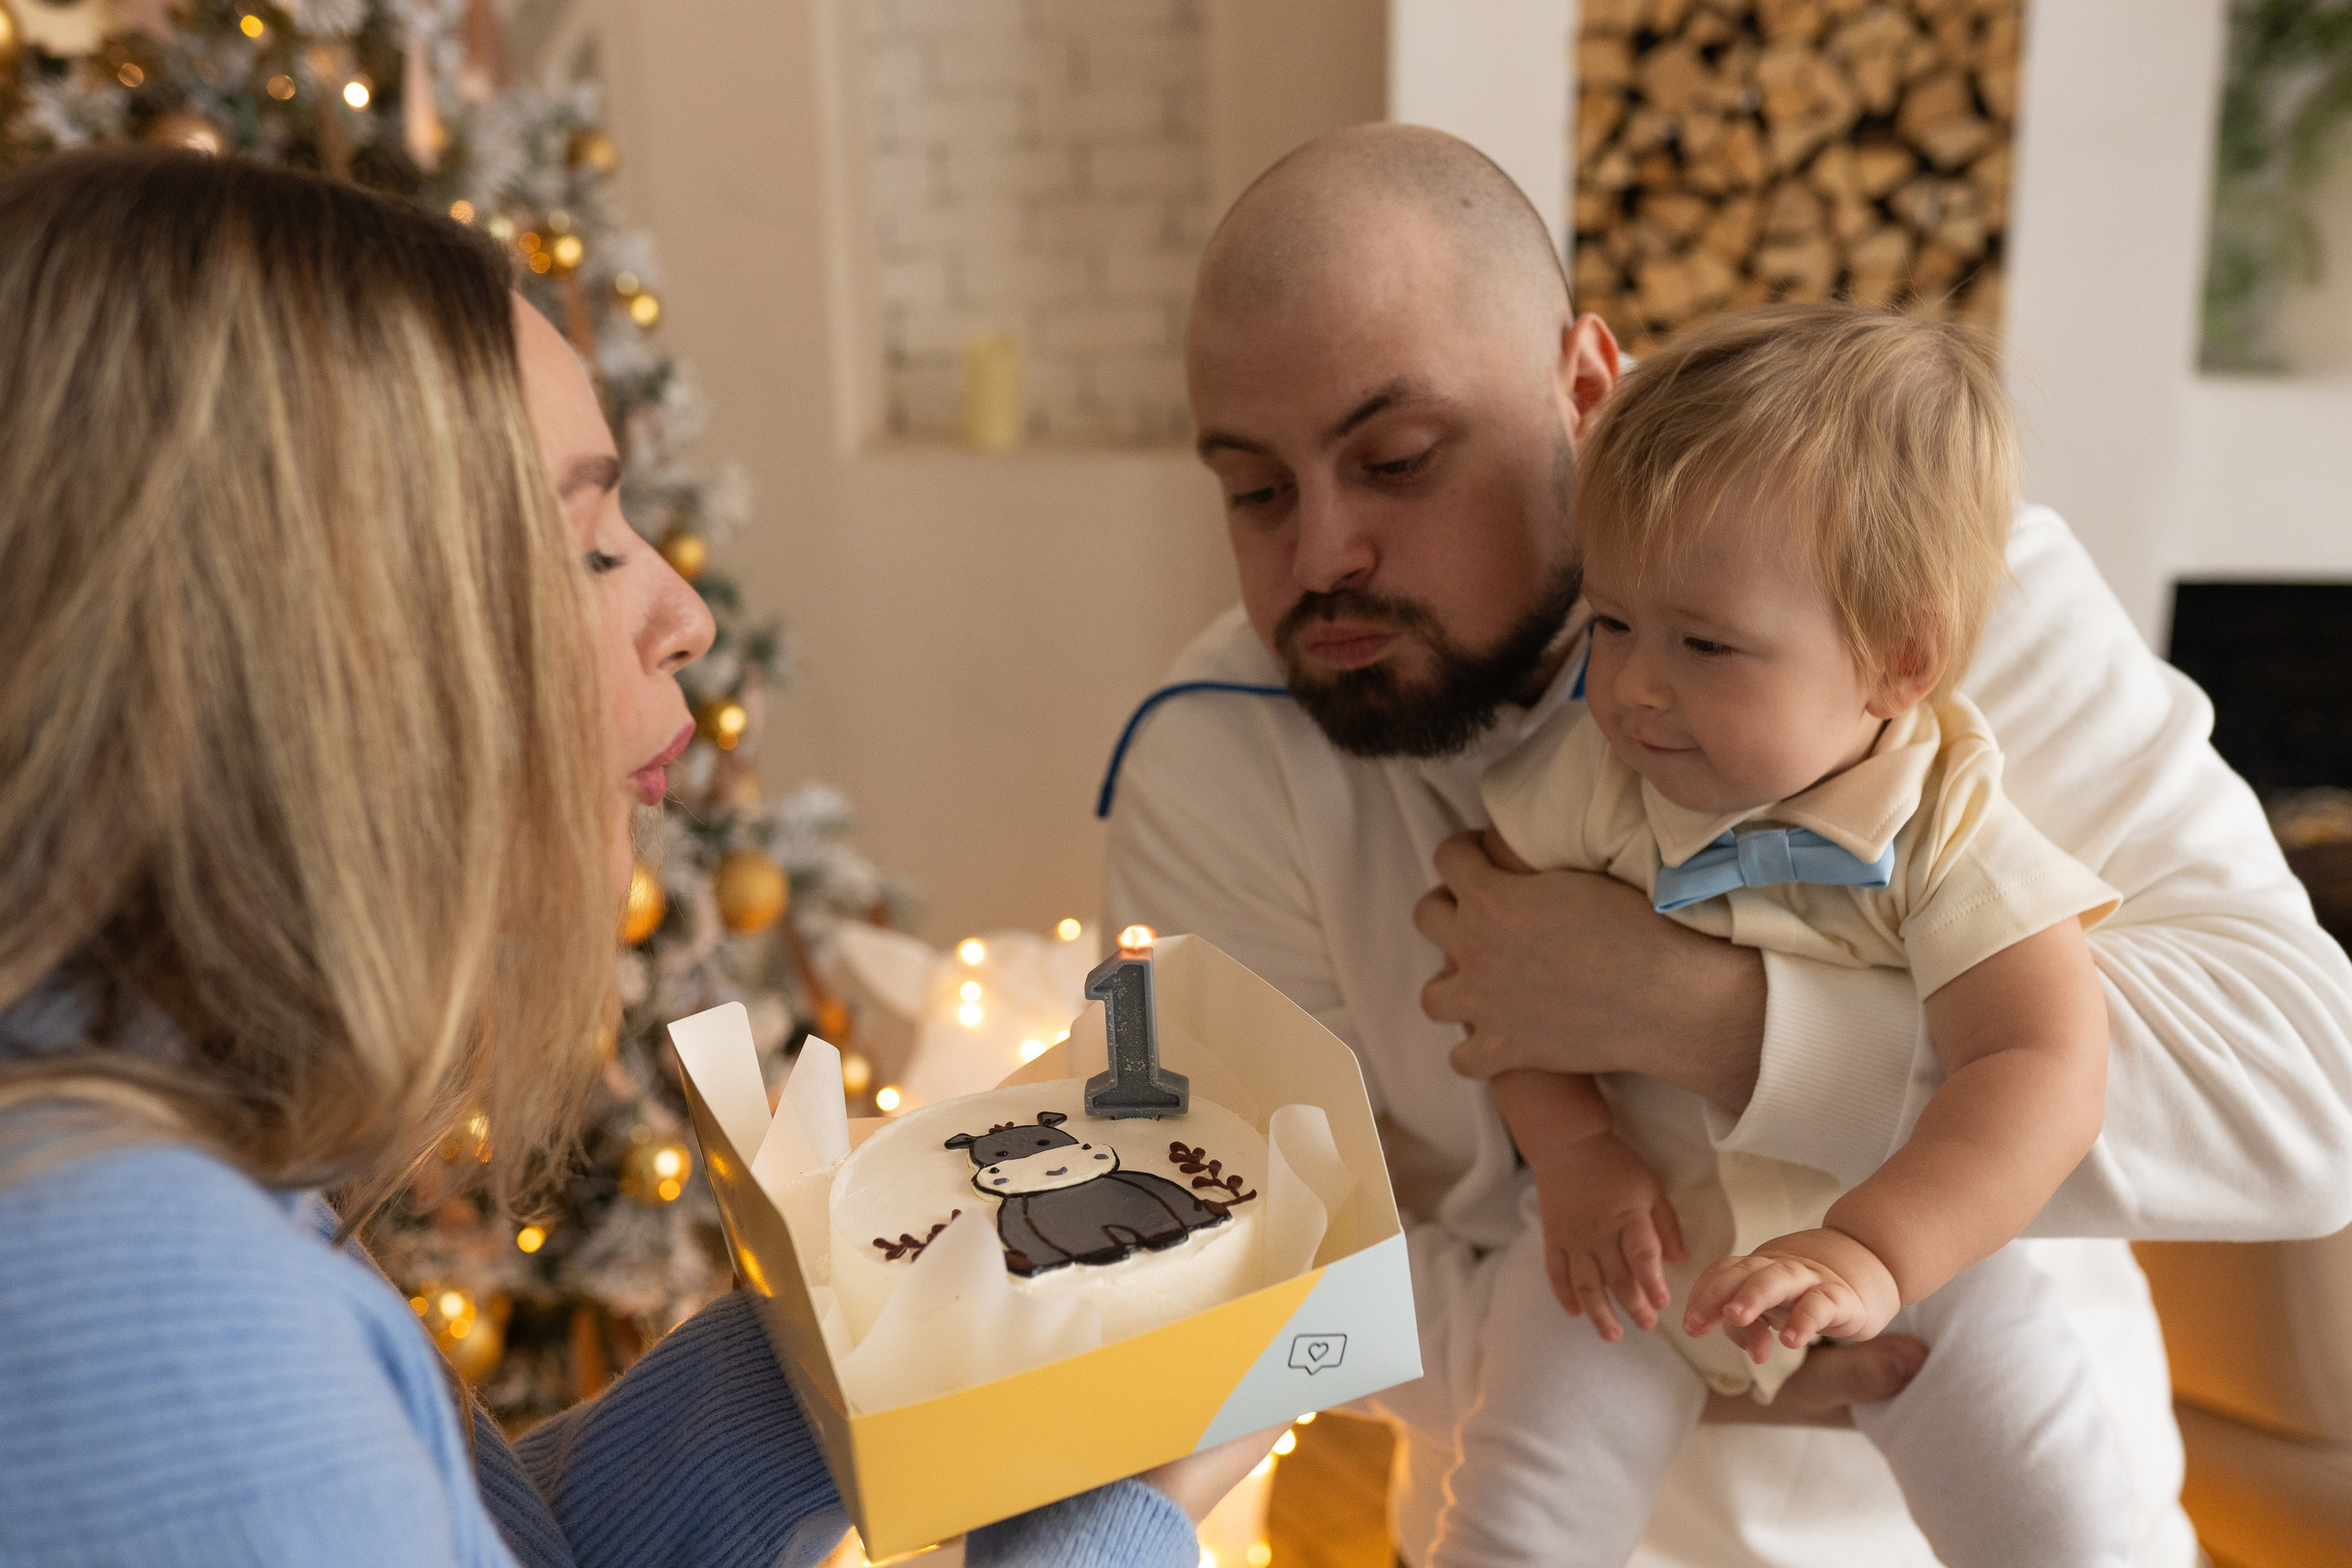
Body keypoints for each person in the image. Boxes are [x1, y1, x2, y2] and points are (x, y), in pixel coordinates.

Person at [1102, 124, 2352, 1566]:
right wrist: (1674, 1343)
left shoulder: (1915, 579)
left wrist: (1711, 1022)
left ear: (1580, 390)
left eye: (1396, 461)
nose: (1321, 556)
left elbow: (2306, 1102)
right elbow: (1271, 1283)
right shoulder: (1210, 759)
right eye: (1255, 491)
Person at [0, 149, 1263, 1568]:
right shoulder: (154, 1325)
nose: (683, 613)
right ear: (320, 659)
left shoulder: (163, 1181)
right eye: (590, 546)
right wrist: (1111, 1522)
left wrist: (831, 1369)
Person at [1437, 304, 2132, 1567]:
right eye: (1613, 625)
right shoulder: (1594, 791)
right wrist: (1580, 1152)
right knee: (1513, 1521)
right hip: (1632, 1256)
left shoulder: (1946, 831)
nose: (1634, 684)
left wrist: (1879, 1248)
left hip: (1913, 1258)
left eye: (1705, 644)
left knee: (2072, 1527)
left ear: (1895, 659)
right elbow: (1500, 985)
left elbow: (2041, 1066)